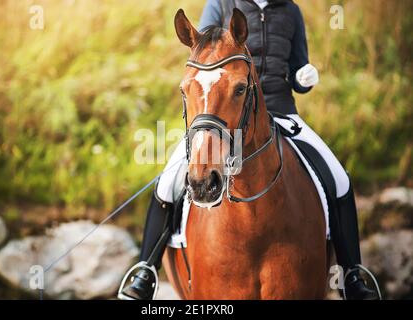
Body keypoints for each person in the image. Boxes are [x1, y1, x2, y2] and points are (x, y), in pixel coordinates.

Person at [118, 0, 379, 300]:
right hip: (221, 113)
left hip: (281, 112)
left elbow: (297, 67)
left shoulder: (290, 11)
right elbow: (205, 60)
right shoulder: (220, 4)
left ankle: (353, 275)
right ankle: (145, 271)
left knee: (339, 178)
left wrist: (303, 79)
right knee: (167, 182)